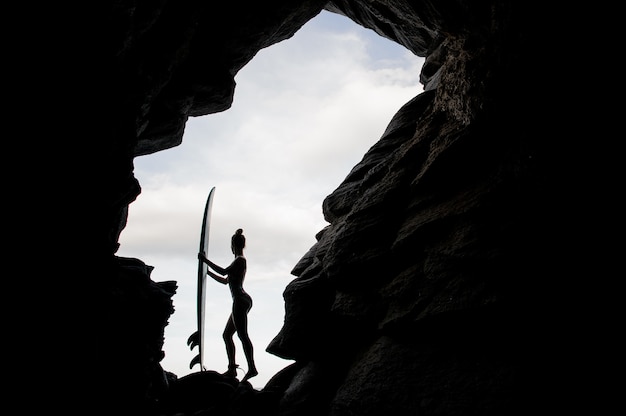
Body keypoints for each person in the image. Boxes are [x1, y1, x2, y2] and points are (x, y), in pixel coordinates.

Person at [198, 228, 258, 382]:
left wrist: (205, 260)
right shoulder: (238, 261)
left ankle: (251, 368)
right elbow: (226, 280)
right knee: (227, 335)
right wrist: (207, 273)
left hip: (240, 300)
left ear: (233, 245)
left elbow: (224, 272)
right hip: (241, 299)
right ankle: (232, 369)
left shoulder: (240, 260)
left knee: (242, 335)